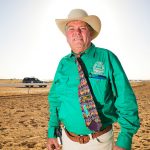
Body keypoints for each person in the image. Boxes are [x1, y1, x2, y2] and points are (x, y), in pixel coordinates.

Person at [47, 9, 140, 150]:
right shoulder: (63, 64)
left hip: (101, 142)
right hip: (68, 141)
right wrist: (52, 132)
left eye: (82, 28)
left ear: (90, 33)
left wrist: (124, 140)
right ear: (66, 35)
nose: (77, 33)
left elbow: (125, 99)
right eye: (71, 29)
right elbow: (56, 100)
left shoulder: (107, 58)